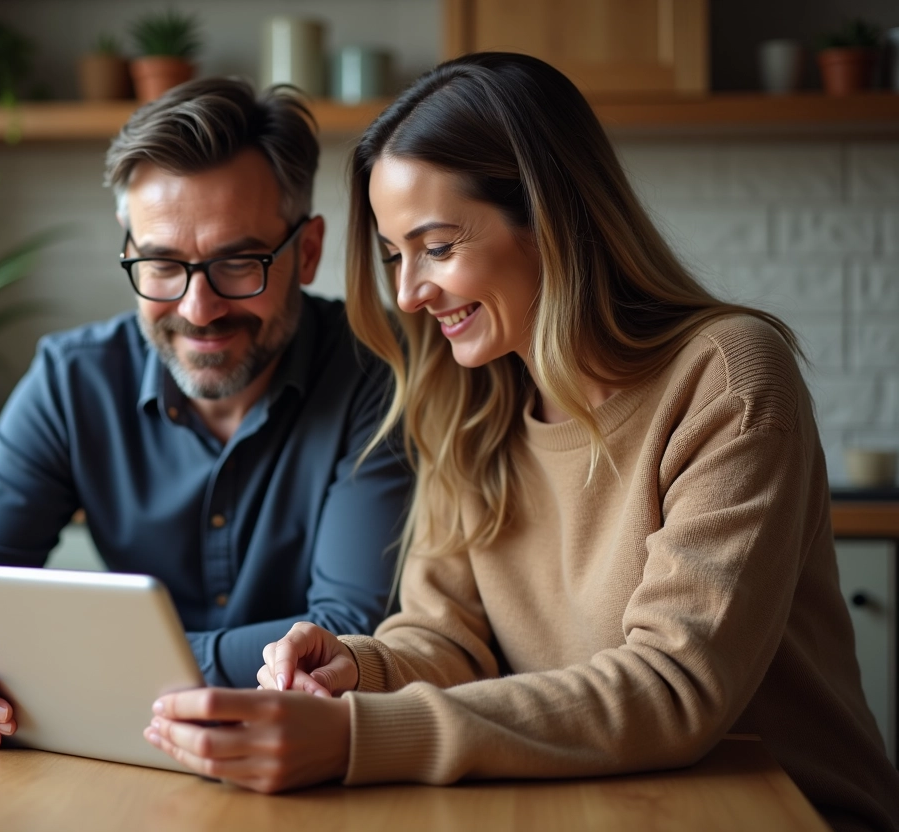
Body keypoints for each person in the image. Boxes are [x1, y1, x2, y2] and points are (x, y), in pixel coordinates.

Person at [141, 54, 899, 831]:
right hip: (589, 805)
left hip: (786, 811)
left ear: (550, 219)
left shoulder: (726, 376)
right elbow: (446, 637)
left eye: (436, 248)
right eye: (395, 256)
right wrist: (357, 668)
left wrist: (354, 736)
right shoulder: (472, 399)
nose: (407, 293)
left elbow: (675, 688)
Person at [0, 78, 413, 751]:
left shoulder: (379, 372)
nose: (197, 309)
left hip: (304, 766)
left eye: (237, 263)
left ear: (306, 252)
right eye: (160, 265)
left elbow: (346, 634)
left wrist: (80, 666)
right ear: (129, 252)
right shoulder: (74, 380)